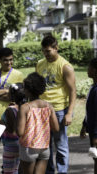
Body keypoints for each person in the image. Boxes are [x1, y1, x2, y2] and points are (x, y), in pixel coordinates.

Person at [36, 35, 76, 174]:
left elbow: (73, 91)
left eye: (48, 51)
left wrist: (69, 113)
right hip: (42, 111)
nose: (45, 54)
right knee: (45, 146)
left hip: (59, 111)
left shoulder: (65, 67)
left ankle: (62, 171)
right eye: (43, 51)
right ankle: (49, 171)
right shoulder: (40, 64)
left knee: (61, 145)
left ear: (56, 48)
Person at [17, 72, 59, 174]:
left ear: (27, 90)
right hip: (44, 147)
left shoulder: (25, 108)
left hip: (29, 147)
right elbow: (56, 128)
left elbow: (20, 132)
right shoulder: (49, 106)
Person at [0, 83, 26, 174]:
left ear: (11, 95)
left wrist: (0, 122)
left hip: (10, 146)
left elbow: (11, 129)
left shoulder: (10, 109)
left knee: (9, 171)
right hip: (23, 145)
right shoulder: (26, 108)